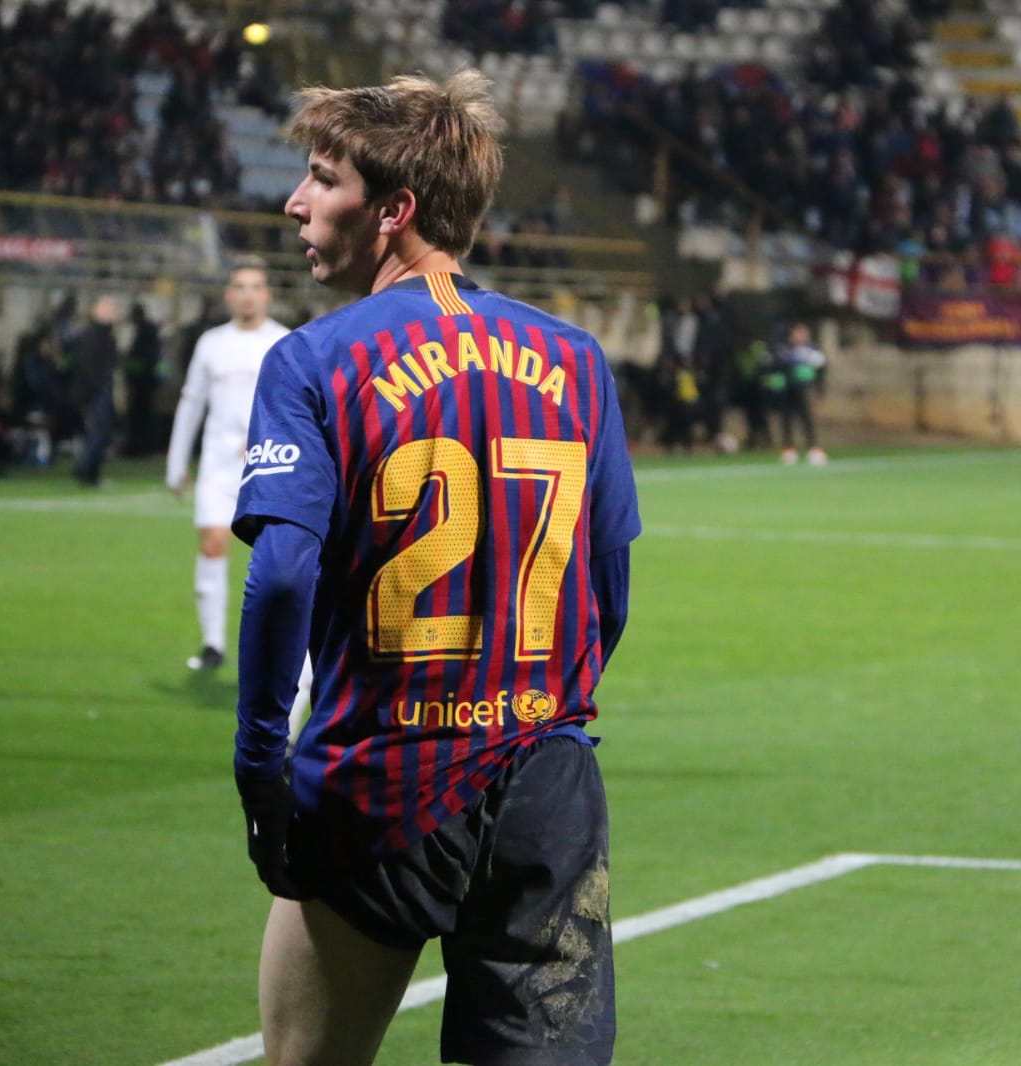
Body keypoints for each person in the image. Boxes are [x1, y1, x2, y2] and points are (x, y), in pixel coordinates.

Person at [230, 71, 639, 1066]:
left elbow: (282, 577)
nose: (295, 201)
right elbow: (609, 586)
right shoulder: (576, 358)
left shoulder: (315, 359)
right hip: (546, 779)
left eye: (322, 179)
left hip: (382, 773)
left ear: (394, 211)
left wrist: (257, 758)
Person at [164, 257, 300, 684]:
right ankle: (213, 643)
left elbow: (298, 408)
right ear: (228, 295)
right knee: (213, 544)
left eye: (255, 286)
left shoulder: (284, 341)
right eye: (239, 286)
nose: (247, 294)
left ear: (267, 294)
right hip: (218, 466)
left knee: (275, 562)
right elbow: (191, 404)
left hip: (269, 466)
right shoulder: (211, 343)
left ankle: (277, 646)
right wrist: (175, 464)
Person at [68, 295, 121, 487]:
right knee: (98, 432)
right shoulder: (91, 336)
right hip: (94, 391)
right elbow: (87, 367)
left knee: (100, 433)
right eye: (106, 308)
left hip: (100, 389)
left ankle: (88, 470)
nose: (111, 313)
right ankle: (86, 472)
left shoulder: (106, 335)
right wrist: (91, 390)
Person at [772, 321, 829, 465]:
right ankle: (788, 449)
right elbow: (777, 366)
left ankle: (813, 448)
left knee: (806, 419)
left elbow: (821, 369)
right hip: (787, 390)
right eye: (798, 333)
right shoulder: (783, 349)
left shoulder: (813, 350)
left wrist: (819, 386)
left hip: (803, 389)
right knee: (786, 420)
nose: (802, 336)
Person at [123, 302, 163, 457]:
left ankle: (140, 448)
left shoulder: (144, 333)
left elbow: (141, 360)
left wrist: (131, 376)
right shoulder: (148, 331)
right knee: (145, 415)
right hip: (146, 382)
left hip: (142, 383)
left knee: (141, 416)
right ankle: (143, 448)